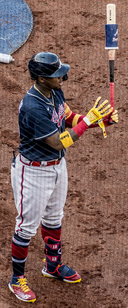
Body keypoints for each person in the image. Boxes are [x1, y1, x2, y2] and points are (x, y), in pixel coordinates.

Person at [8, 51, 118, 303]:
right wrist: (87, 121)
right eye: (56, 75)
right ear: (41, 78)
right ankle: (17, 280)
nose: (63, 77)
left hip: (57, 167)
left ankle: (53, 266)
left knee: (54, 218)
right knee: (26, 228)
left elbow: (67, 118)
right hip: (33, 172)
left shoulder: (54, 91)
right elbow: (58, 141)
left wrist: (98, 120)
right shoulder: (32, 106)